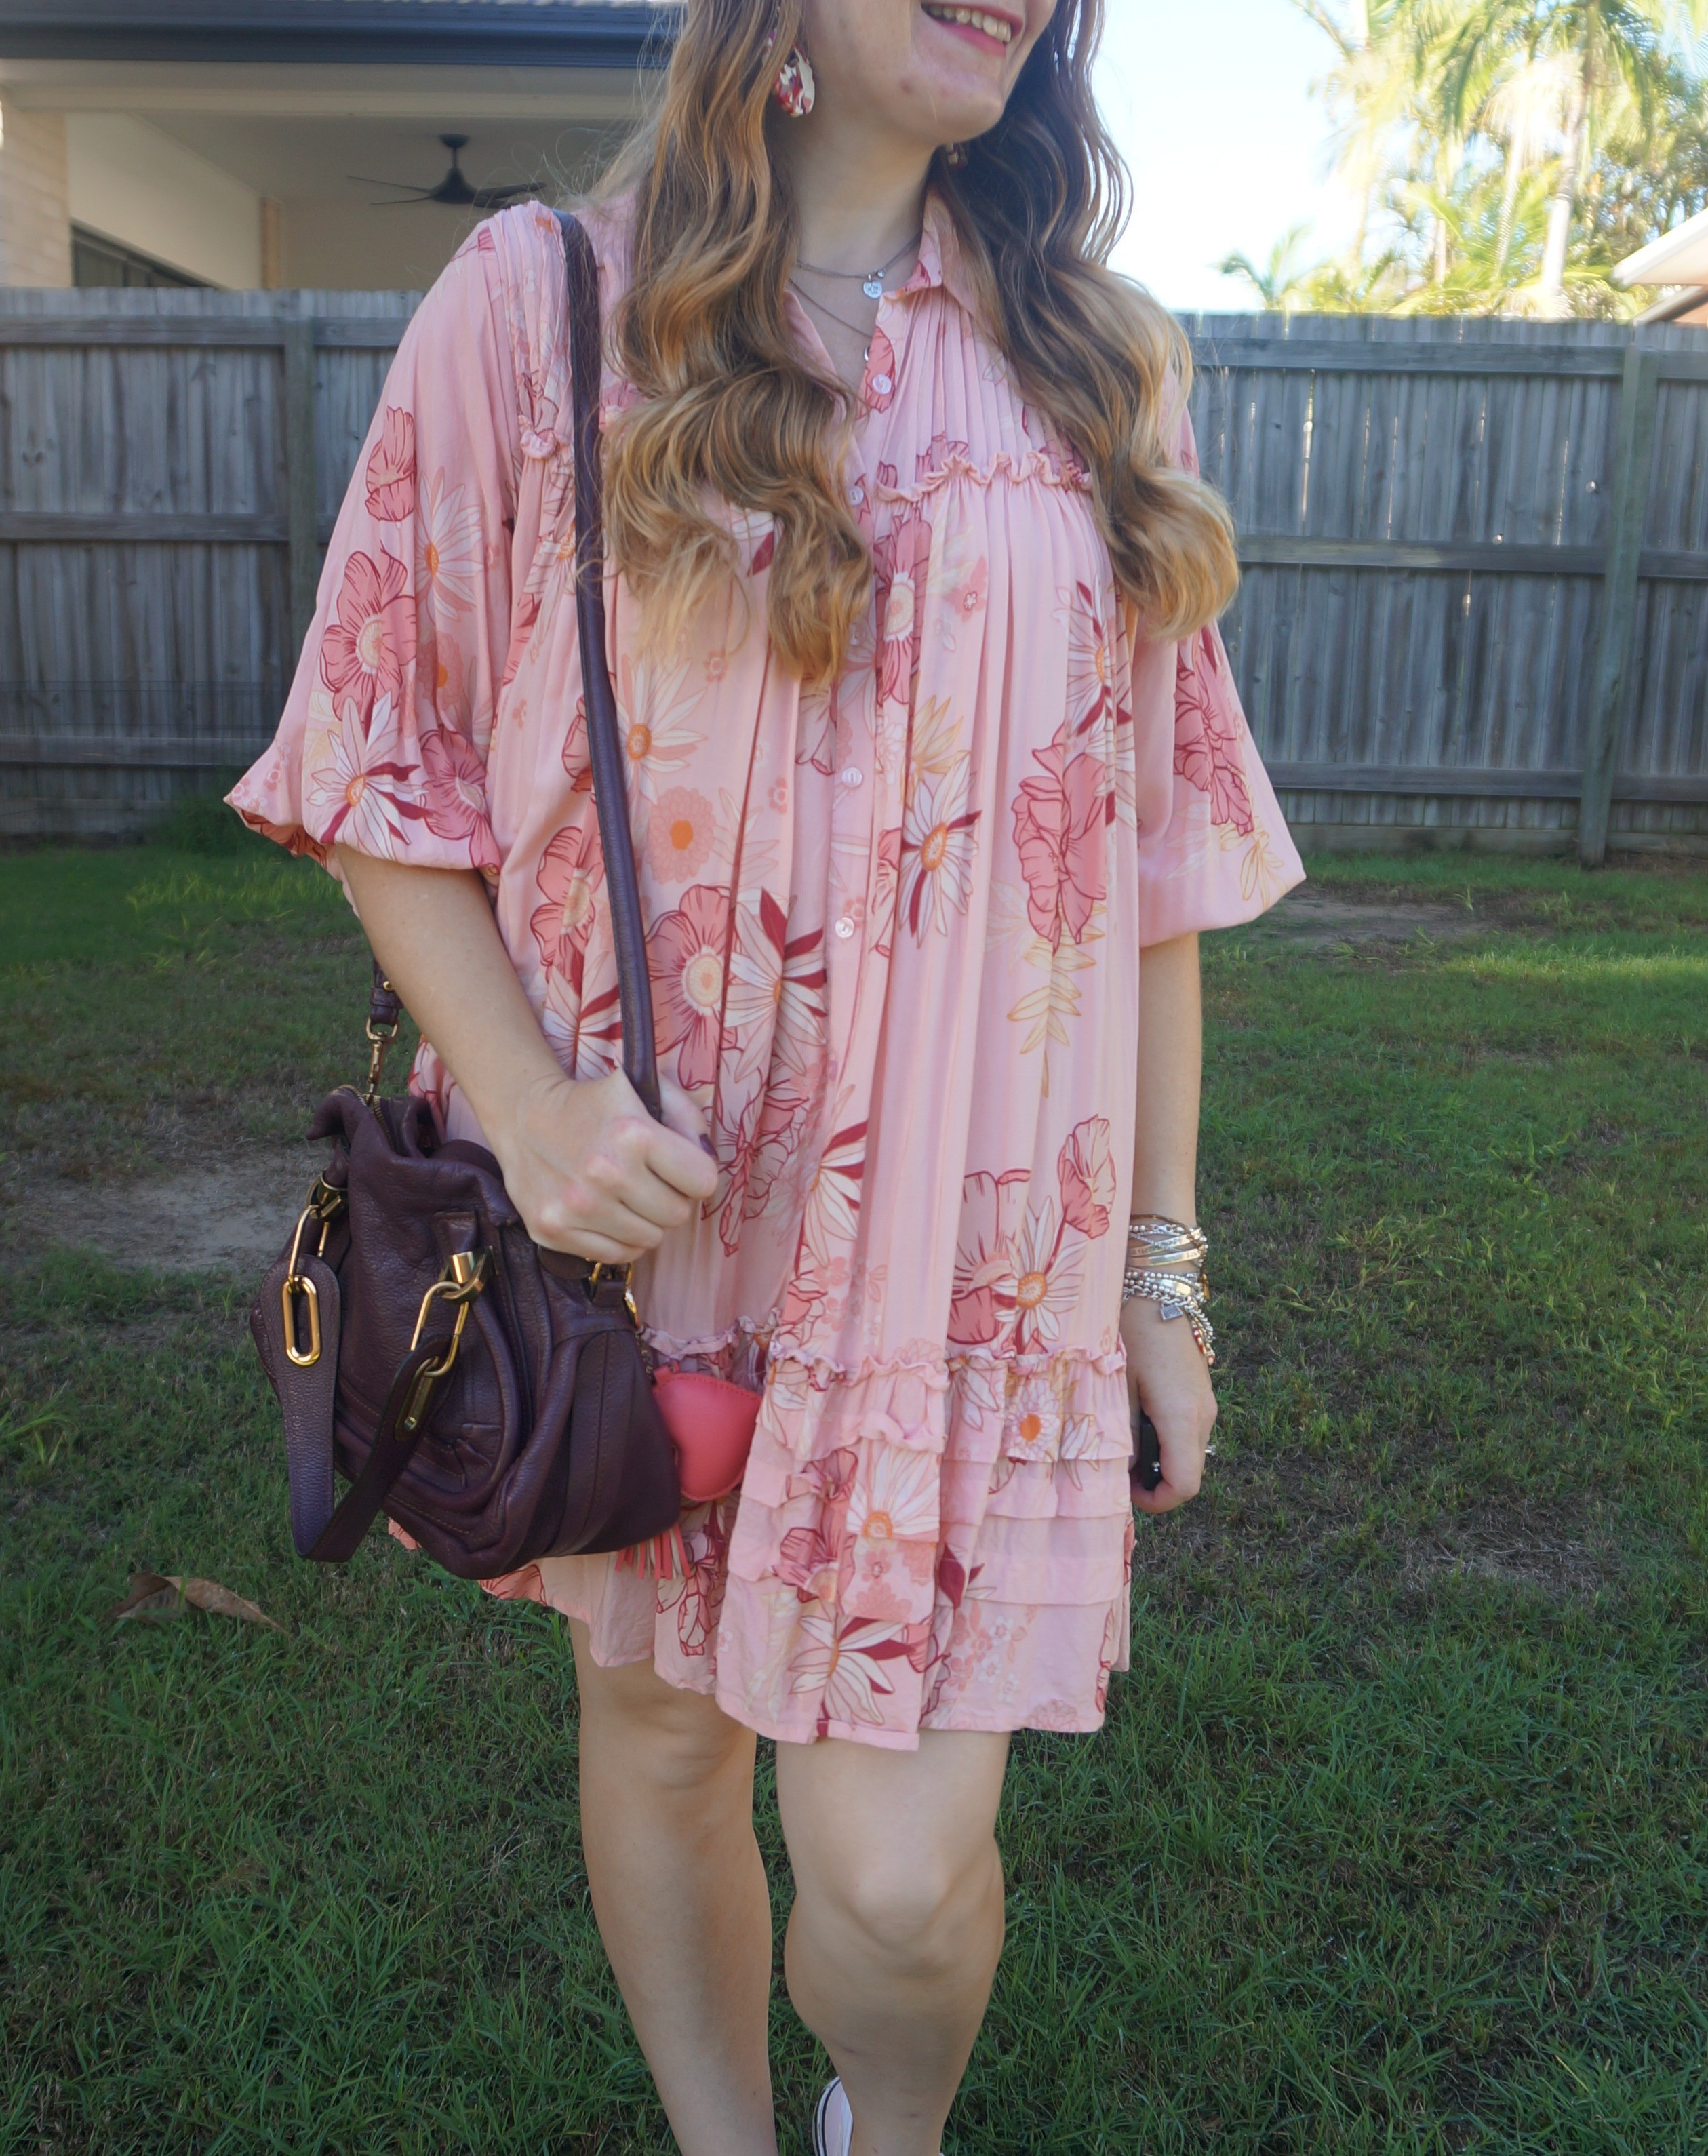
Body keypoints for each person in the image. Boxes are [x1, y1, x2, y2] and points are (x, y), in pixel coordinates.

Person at [229, 1, 1302, 2147]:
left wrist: (1161, 1271)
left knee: (900, 1882)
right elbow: (378, 758)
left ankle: (878, 2132)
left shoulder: (1101, 369)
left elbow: (1157, 870)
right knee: (655, 1741)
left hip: (973, 1267)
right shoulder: (542, 309)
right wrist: (524, 1108)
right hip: (661, 1235)